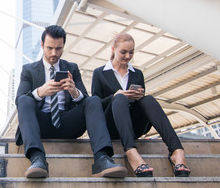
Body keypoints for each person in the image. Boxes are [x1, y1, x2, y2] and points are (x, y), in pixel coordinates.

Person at [15, 25, 127, 178]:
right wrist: (41, 92)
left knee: (93, 100)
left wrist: (75, 92)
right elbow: (19, 100)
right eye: (49, 48)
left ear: (63, 47)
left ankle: (102, 158)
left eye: (58, 48)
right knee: (24, 100)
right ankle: (37, 158)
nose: (54, 53)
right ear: (42, 46)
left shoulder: (72, 68)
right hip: (40, 124)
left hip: (66, 122)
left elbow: (86, 101)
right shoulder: (29, 70)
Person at [91, 33, 191, 177]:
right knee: (119, 99)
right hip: (112, 125)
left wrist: (139, 97)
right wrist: (115, 96)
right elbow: (95, 105)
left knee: (148, 99)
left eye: (131, 52)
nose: (127, 56)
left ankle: (177, 151)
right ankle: (131, 152)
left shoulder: (137, 73)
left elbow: (142, 105)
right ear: (113, 49)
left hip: (134, 126)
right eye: (123, 52)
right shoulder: (100, 73)